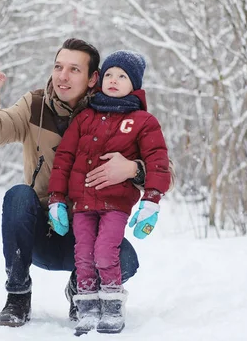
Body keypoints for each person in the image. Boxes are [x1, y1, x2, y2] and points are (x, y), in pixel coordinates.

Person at [0, 39, 147, 327]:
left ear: (92, 79)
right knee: (18, 195)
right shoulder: (35, 106)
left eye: (74, 69)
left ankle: (81, 290)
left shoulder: (118, 115)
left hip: (88, 230)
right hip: (42, 231)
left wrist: (133, 168)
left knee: (126, 260)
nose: (62, 76)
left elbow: (164, 169)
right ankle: (18, 294)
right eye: (58, 67)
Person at [47, 50, 171, 335]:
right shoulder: (84, 118)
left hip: (115, 204)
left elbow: (157, 160)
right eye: (109, 75)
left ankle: (113, 304)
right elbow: (64, 159)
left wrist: (151, 200)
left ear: (134, 84)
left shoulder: (143, 121)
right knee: (83, 256)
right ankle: (87, 308)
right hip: (81, 205)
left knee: (105, 252)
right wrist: (56, 199)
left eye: (122, 76)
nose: (114, 80)